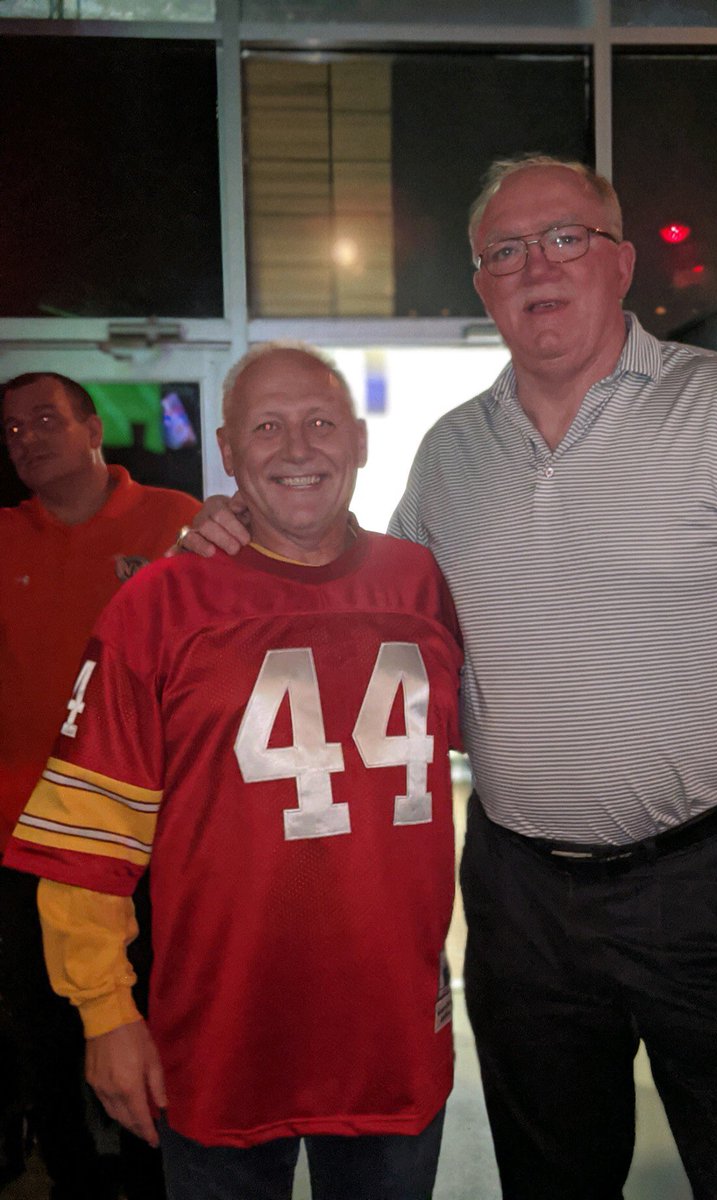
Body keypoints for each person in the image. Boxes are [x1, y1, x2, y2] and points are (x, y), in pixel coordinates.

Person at [184, 159, 717, 1200]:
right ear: (482, 285)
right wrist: (239, 539)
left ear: (622, 263)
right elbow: (359, 612)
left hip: (706, 884)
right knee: (551, 1180)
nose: (536, 266)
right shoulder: (450, 453)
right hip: (516, 898)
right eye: (505, 252)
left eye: (565, 238)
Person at [4, 344, 463, 1200]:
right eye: (267, 427)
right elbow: (88, 840)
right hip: (222, 1038)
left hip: (392, 1033)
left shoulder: (420, 581)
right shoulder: (159, 602)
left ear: (359, 441)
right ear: (227, 449)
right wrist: (106, 1014)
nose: (298, 448)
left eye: (321, 423)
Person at [0, 371, 200, 1200]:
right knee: (47, 1040)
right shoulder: (3, 538)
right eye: (11, 429)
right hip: (25, 838)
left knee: (157, 1025)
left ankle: (163, 1178)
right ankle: (74, 1181)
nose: (28, 439)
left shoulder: (178, 524)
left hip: (153, 838)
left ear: (93, 431)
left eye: (47, 419)